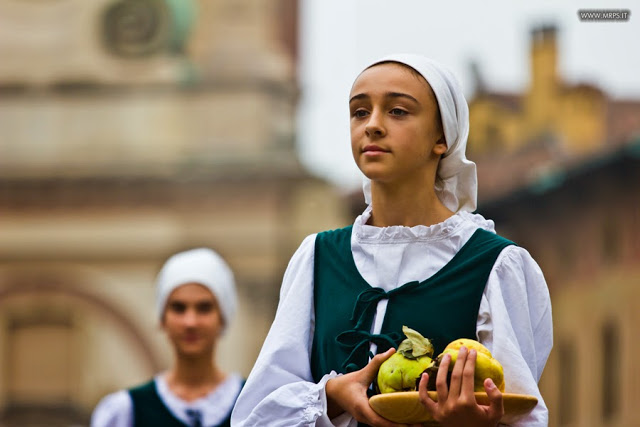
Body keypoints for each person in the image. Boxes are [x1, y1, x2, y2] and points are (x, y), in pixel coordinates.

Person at [231, 53, 552, 427]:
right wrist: (332, 396)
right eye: (360, 112)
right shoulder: (318, 257)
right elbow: (256, 415)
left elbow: (521, 415)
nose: (373, 126)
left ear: (442, 138)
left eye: (398, 111)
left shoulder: (494, 265)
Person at [92, 248, 244, 427]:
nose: (190, 322)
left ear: (223, 317)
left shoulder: (251, 402)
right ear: (162, 317)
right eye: (178, 308)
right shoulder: (127, 410)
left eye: (204, 308)